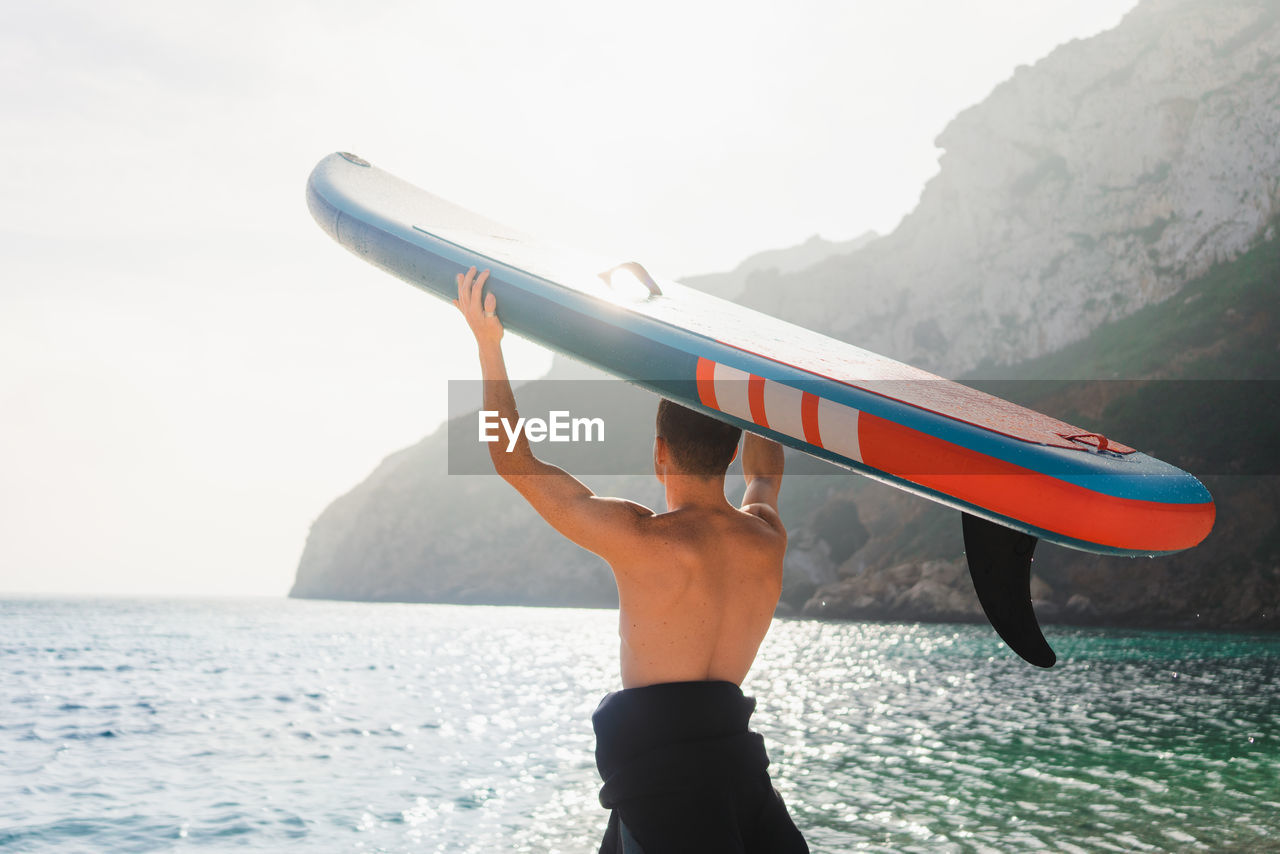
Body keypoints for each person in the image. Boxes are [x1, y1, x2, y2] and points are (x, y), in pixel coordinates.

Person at [454, 267, 808, 853]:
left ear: (659, 452)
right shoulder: (765, 537)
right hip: (743, 787)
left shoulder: (639, 538)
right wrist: (753, 394)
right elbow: (765, 475)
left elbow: (512, 461)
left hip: (667, 801)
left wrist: (488, 345)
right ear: (732, 451)